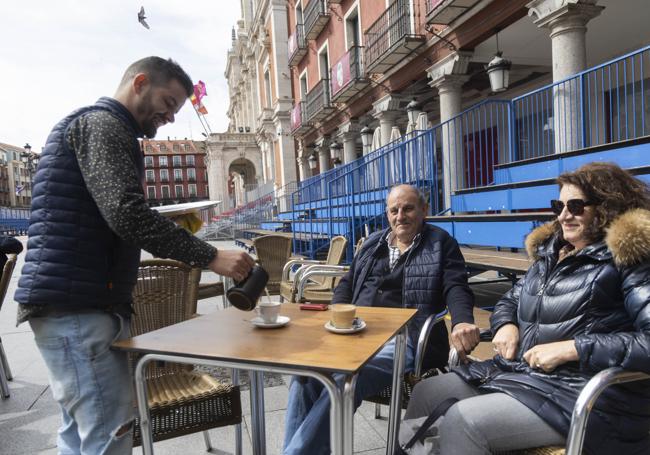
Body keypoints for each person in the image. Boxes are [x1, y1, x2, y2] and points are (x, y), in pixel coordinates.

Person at [14, 57, 255, 455]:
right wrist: (210, 255)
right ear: (140, 82)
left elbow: (109, 211)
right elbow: (125, 213)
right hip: (80, 307)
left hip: (76, 302)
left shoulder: (99, 127)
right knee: (109, 436)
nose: (171, 117)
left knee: (80, 434)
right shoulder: (103, 125)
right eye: (169, 101)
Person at [403, 162, 650, 455]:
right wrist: (505, 324)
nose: (564, 215)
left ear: (607, 207)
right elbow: (510, 300)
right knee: (426, 392)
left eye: (576, 205)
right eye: (559, 205)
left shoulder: (628, 261)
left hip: (584, 394)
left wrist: (574, 348)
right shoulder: (552, 255)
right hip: (522, 376)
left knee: (464, 420)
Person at [283, 184, 479, 455]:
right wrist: (339, 314)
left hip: (404, 337)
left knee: (346, 381)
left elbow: (456, 286)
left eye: (408, 208)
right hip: (355, 331)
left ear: (424, 210)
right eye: (394, 210)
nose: (401, 216)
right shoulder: (374, 243)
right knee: (306, 375)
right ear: (387, 214)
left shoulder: (440, 242)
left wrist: (461, 321)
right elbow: (347, 284)